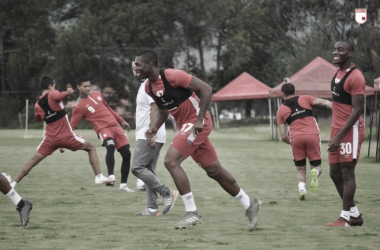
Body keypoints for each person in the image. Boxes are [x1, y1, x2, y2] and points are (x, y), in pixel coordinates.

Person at [134, 49, 261, 231]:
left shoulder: (172, 75)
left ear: (150, 64)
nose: (135, 68)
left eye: (138, 65)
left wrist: (200, 118)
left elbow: (206, 89)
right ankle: (250, 203)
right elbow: (163, 110)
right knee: (214, 171)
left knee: (171, 161)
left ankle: (192, 212)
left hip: (196, 122)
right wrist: (154, 127)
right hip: (188, 124)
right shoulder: (148, 87)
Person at [11, 76, 113, 190]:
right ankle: (98, 176)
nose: (55, 88)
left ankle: (13, 184)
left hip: (50, 140)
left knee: (32, 162)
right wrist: (67, 93)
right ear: (50, 86)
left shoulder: (37, 105)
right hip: (67, 137)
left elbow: (38, 119)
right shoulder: (53, 94)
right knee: (91, 147)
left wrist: (48, 114)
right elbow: (58, 95)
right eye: (54, 86)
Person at [325, 41, 365, 227]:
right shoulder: (337, 73)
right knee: (334, 174)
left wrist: (340, 135)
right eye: (334, 49)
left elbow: (357, 110)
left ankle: (345, 218)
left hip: (351, 130)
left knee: (347, 173)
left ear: (350, 54)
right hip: (337, 130)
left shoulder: (356, 77)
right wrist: (335, 133)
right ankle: (355, 214)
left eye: (340, 50)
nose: (335, 52)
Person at [70, 76, 133, 192]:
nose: (88, 88)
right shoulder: (78, 106)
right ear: (78, 87)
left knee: (127, 154)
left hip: (116, 126)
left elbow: (108, 108)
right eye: (85, 86)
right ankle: (111, 176)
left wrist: (122, 121)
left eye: (89, 86)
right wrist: (63, 143)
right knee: (110, 145)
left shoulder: (97, 94)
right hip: (103, 129)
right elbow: (71, 126)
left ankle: (123, 185)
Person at [131, 61, 178, 216]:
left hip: (149, 134)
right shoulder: (145, 85)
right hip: (152, 134)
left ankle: (167, 192)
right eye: (133, 69)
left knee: (137, 168)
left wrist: (152, 133)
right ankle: (152, 208)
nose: (136, 71)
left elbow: (156, 108)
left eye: (138, 68)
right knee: (148, 170)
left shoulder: (148, 86)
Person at [277, 82, 332, 201]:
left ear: (283, 94)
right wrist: (332, 104)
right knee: (316, 166)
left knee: (301, 170)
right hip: (312, 134)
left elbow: (283, 136)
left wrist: (292, 144)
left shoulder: (281, 110)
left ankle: (302, 189)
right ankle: (315, 173)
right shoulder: (305, 98)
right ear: (294, 91)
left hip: (296, 137)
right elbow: (323, 102)